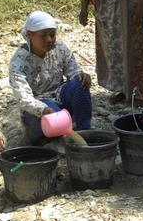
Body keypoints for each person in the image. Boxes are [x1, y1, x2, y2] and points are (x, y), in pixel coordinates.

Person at [9, 10, 93, 144]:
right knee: (52, 122)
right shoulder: (19, 62)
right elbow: (24, 98)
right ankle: (47, 137)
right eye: (43, 36)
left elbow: (73, 70)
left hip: (60, 94)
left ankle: (85, 131)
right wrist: (43, 110)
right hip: (39, 103)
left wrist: (81, 75)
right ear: (30, 35)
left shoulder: (59, 47)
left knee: (79, 83)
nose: (49, 40)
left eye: (52, 35)